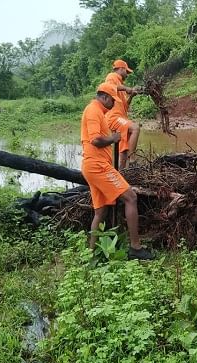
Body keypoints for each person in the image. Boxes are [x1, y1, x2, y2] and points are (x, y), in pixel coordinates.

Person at [80, 82, 154, 260]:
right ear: (104, 97)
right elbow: (96, 140)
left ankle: (91, 253)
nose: (114, 104)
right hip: (98, 166)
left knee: (100, 211)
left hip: (93, 166)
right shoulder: (93, 111)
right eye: (112, 100)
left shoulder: (100, 112)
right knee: (131, 197)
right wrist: (113, 138)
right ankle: (135, 247)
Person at [105, 59, 141, 169]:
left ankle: (121, 172)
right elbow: (109, 88)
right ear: (121, 69)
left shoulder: (120, 84)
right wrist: (126, 88)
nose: (127, 74)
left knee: (124, 148)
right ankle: (133, 160)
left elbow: (125, 106)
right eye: (127, 71)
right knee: (135, 128)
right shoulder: (112, 76)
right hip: (114, 117)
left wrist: (132, 95)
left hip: (121, 117)